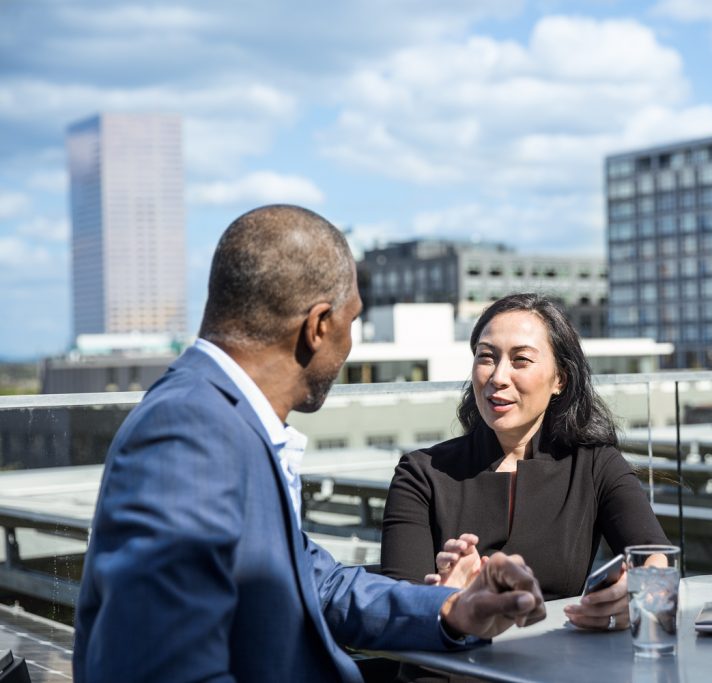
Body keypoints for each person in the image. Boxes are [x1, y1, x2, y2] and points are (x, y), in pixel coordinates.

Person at [73, 205, 545, 683]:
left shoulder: (223, 420)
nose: (350, 345)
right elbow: (160, 667)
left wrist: (453, 609)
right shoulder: (189, 433)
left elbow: (319, 584)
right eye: (351, 321)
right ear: (318, 326)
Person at [381, 293, 669, 632]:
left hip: (555, 665)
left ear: (560, 379)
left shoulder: (594, 465)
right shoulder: (421, 473)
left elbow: (656, 557)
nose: (498, 376)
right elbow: (395, 613)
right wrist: (448, 599)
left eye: (521, 360)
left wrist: (635, 597)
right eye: (486, 357)